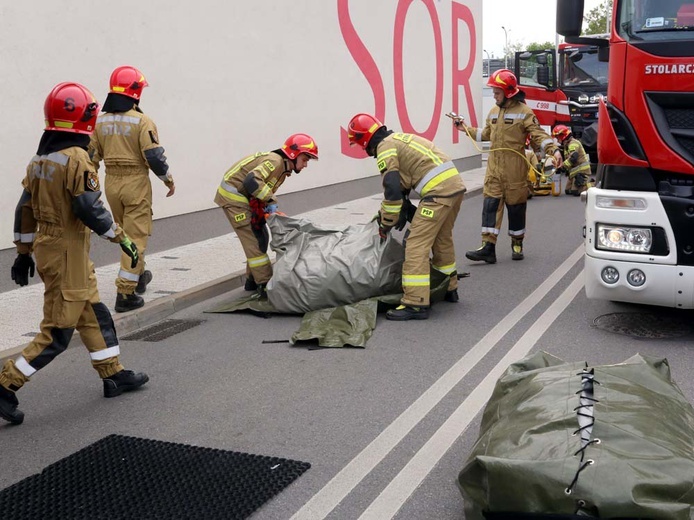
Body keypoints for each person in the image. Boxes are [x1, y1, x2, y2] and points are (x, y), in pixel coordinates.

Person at [0, 82, 149, 425]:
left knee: (93, 314)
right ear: (85, 118)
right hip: (68, 252)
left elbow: (24, 209)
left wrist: (23, 252)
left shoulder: (40, 160)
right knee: (58, 332)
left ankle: (113, 374)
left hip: (56, 251)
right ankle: (6, 383)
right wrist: (122, 238)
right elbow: (89, 208)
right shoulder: (78, 159)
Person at [347, 113, 466, 321]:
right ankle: (449, 288)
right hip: (454, 188)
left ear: (364, 139)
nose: (362, 150)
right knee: (441, 239)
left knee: (415, 244)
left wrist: (385, 224)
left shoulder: (384, 148)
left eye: (358, 144)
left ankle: (415, 303)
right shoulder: (399, 139)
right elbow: (403, 184)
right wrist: (401, 209)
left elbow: (391, 190)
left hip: (437, 194)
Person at [453, 69, 563, 263]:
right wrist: (465, 129)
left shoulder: (524, 112)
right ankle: (488, 247)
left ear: (509, 92)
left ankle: (517, 242)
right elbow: (487, 134)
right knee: (490, 206)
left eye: (497, 92)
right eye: (494, 92)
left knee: (516, 208)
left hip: (515, 170)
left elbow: (538, 135)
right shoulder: (494, 112)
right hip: (494, 169)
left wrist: (553, 150)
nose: (494, 96)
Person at [89, 65, 175, 313]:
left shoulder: (99, 122)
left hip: (111, 183)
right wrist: (168, 180)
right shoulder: (142, 121)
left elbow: (90, 158)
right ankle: (125, 293)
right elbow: (155, 157)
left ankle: (138, 277)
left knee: (126, 234)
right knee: (137, 236)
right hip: (135, 181)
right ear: (135, 92)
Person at [213, 134, 319, 298]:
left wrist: (269, 208)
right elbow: (252, 181)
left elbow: (258, 187)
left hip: (243, 199)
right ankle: (265, 286)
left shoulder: (283, 167)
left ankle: (251, 281)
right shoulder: (275, 161)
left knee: (261, 236)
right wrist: (270, 201)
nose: (306, 165)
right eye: (305, 159)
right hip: (233, 198)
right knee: (254, 240)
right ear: (293, 154)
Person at [552, 125, 591, 196]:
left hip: (582, 171)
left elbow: (573, 157)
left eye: (557, 138)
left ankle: (591, 185)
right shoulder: (567, 145)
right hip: (574, 173)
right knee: (568, 191)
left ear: (562, 136)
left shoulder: (573, 143)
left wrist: (563, 167)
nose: (557, 140)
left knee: (576, 192)